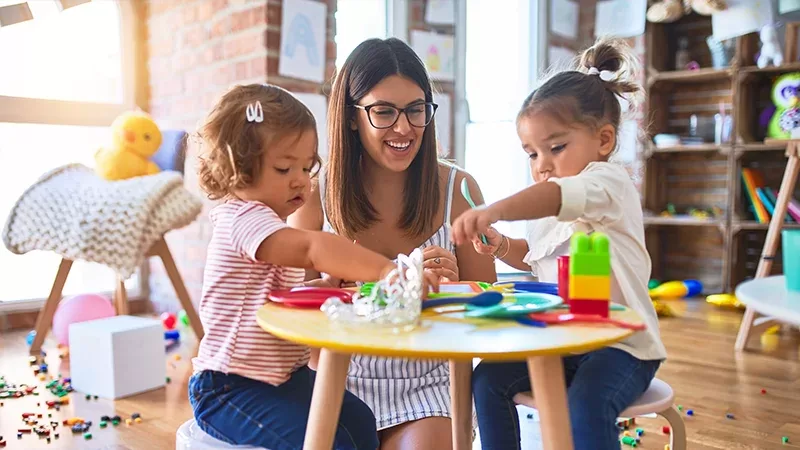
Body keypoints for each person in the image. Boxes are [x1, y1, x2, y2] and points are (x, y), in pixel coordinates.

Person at [189, 83, 438, 450]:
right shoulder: (243, 218)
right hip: (229, 388)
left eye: (307, 166)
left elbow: (276, 298)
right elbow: (312, 245)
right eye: (284, 167)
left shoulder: (269, 225)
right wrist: (387, 270)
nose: (301, 180)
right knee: (331, 442)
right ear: (236, 168)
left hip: (284, 377)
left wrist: (327, 285)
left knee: (360, 421)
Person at [450, 37, 667, 450]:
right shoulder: (547, 204)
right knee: (488, 379)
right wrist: (500, 246)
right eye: (531, 154)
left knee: (588, 401)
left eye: (556, 147)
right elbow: (536, 262)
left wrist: (494, 210)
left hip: (623, 345)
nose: (542, 165)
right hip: (565, 342)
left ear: (603, 141)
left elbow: (554, 196)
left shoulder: (608, 183)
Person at [290, 38, 497, 449]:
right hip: (337, 379)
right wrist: (342, 288)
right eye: (383, 111)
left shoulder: (459, 189)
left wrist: (453, 289)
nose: (404, 128)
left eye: (416, 109)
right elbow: (297, 320)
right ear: (351, 117)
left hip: (429, 384)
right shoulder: (315, 193)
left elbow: (486, 311)